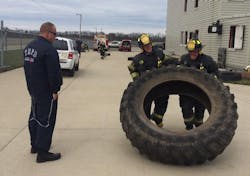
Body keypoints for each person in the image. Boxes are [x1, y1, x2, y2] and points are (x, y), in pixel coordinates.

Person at [23, 22, 63, 163]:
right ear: (47, 32)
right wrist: (55, 90)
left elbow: (27, 70)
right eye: (54, 34)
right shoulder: (48, 50)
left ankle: (35, 144)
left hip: (33, 90)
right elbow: (53, 74)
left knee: (34, 116)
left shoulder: (29, 48)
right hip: (46, 91)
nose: (55, 37)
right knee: (46, 120)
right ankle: (43, 152)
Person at [128, 34, 169, 127]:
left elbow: (167, 61)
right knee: (145, 106)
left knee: (162, 103)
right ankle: (146, 124)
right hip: (146, 87)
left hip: (159, 85)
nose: (148, 47)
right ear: (141, 47)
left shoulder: (159, 53)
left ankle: (158, 119)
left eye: (149, 44)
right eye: (145, 46)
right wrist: (137, 79)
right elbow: (131, 69)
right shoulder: (138, 59)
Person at [179, 39, 219, 130]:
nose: (193, 53)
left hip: (201, 92)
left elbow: (216, 73)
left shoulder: (207, 60)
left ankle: (198, 127)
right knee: (186, 110)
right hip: (186, 91)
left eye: (195, 51)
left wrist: (212, 78)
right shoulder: (184, 59)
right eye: (190, 51)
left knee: (199, 113)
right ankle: (189, 127)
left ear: (199, 50)